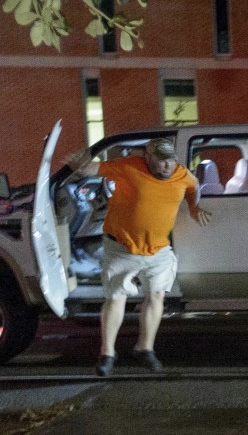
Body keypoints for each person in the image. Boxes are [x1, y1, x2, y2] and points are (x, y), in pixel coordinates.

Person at [67, 137, 212, 376]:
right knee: (116, 298)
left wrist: (194, 208)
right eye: (161, 160)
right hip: (121, 248)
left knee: (156, 296)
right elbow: (93, 169)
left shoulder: (182, 174)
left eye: (170, 160)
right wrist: (81, 165)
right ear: (148, 158)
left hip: (158, 250)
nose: (167, 165)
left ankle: (144, 348)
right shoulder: (129, 166)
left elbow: (194, 186)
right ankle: (107, 354)